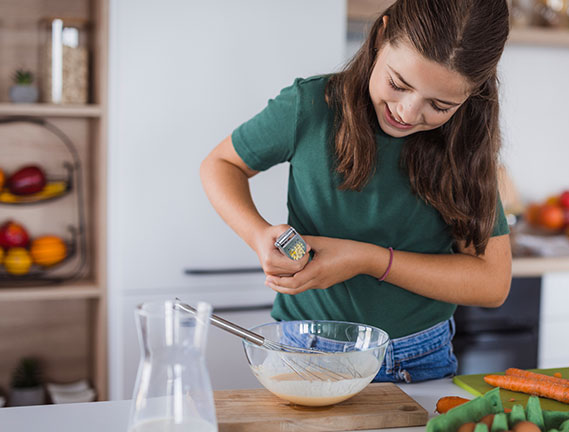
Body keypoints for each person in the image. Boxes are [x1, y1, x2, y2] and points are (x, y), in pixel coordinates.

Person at [200, 0, 512, 383]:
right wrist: (257, 233)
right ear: (381, 36)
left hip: (422, 357)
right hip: (307, 351)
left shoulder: (466, 142)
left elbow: (493, 284)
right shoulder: (310, 107)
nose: (408, 113)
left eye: (440, 105)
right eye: (398, 84)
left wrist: (368, 259)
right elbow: (220, 165)